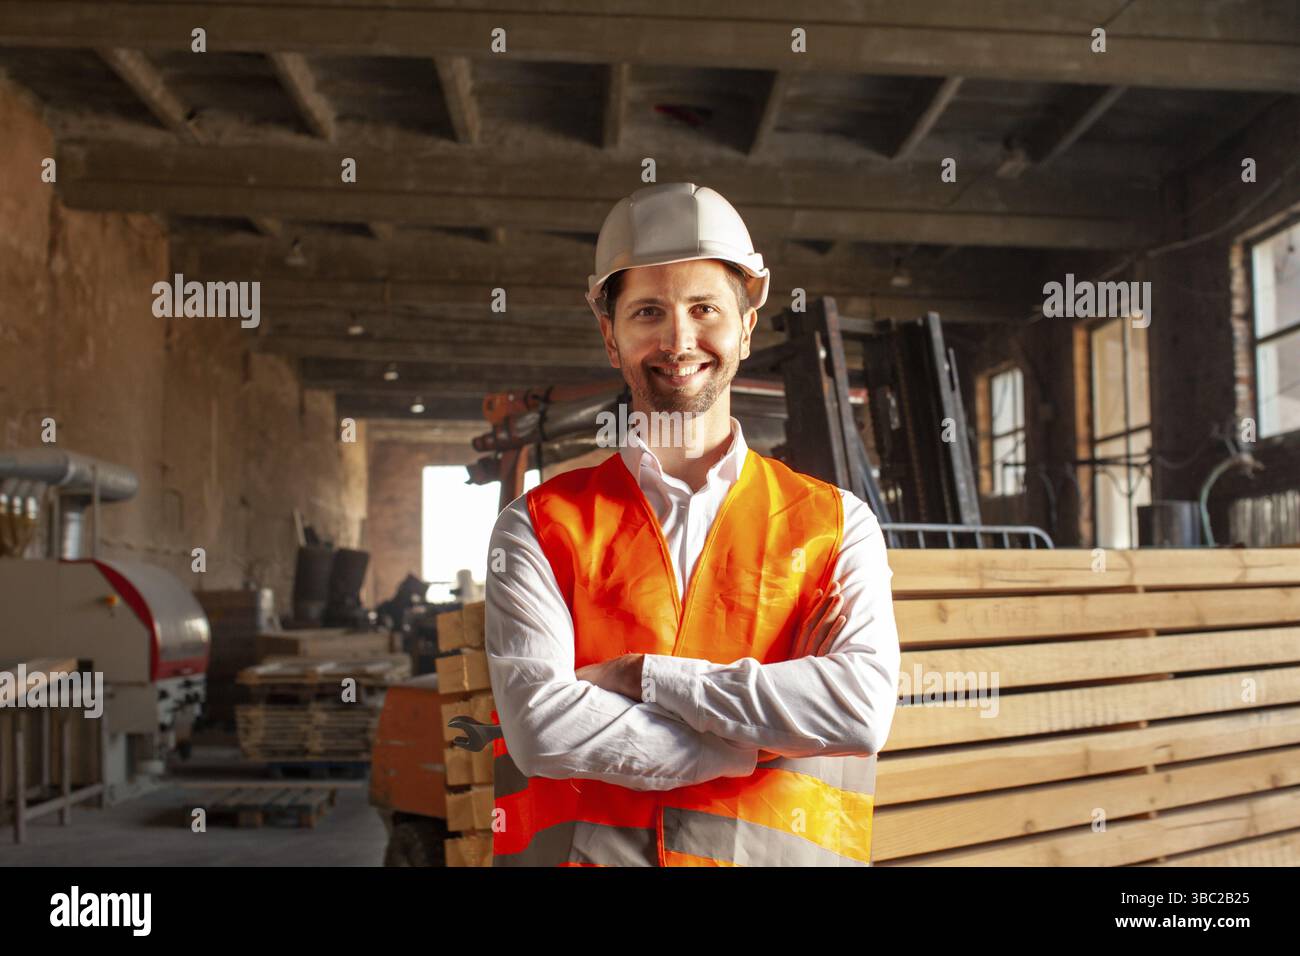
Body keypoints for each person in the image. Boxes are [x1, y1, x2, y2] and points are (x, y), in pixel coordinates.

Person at [483, 182, 900, 866]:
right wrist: (760, 738)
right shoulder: (537, 527)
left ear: (745, 327)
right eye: (648, 311)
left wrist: (646, 679)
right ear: (610, 336)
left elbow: (857, 712)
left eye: (704, 308)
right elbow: (541, 730)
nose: (679, 339)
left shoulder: (836, 526)